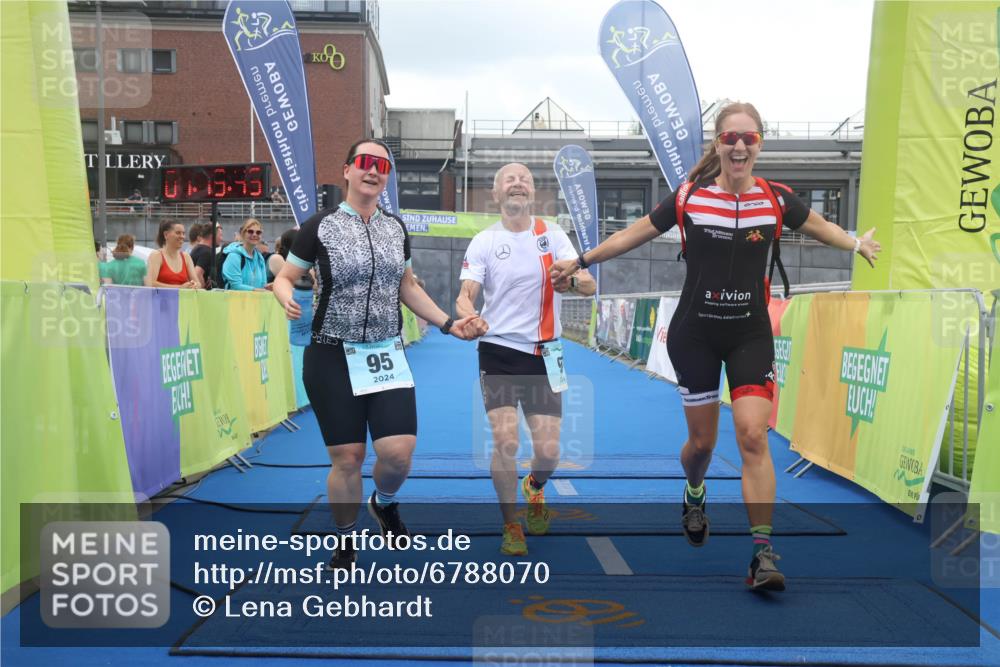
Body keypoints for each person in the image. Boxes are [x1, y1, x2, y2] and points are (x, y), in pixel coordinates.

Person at [551, 102, 880, 591]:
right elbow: (635, 234)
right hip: (696, 335)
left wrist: (855, 244)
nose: (739, 146)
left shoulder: (775, 198)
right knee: (702, 445)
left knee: (753, 435)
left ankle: (762, 554)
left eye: (749, 138)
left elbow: (819, 226)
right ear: (718, 144)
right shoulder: (689, 196)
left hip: (749, 333)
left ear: (760, 144)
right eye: (730, 138)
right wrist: (581, 260)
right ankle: (694, 489)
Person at [272, 138, 487, 569]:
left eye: (382, 166)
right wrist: (283, 294)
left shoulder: (395, 228)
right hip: (332, 356)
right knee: (348, 458)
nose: (373, 170)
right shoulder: (320, 225)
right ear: (347, 170)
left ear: (386, 177)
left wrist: (448, 323)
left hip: (384, 353)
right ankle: (345, 539)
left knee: (398, 454)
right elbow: (286, 274)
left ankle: (384, 502)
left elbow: (407, 286)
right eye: (365, 162)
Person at [456, 162, 595, 556]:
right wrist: (469, 314)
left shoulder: (553, 234)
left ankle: (534, 486)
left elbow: (587, 283)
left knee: (548, 452)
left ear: (532, 193)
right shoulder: (483, 241)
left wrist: (573, 280)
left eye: (525, 180)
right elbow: (465, 295)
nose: (517, 183)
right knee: (506, 441)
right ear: (496, 193)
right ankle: (511, 525)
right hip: (498, 351)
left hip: (545, 353)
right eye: (509, 179)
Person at [146, 220, 200, 289]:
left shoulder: (186, 257)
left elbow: (198, 283)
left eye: (183, 233)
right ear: (166, 235)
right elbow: (150, 283)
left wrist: (194, 285)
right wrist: (179, 287)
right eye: (178, 233)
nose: (182, 236)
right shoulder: (156, 256)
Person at [221, 218, 268, 290]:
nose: (254, 234)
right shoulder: (234, 256)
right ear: (243, 233)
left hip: (256, 297)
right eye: (250, 231)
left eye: (258, 232)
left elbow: (263, 285)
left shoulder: (260, 258)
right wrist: (256, 290)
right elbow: (235, 286)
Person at [188, 222, 215, 289]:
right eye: (220, 235)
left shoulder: (197, 249)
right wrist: (202, 290)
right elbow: (197, 274)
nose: (221, 238)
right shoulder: (206, 252)